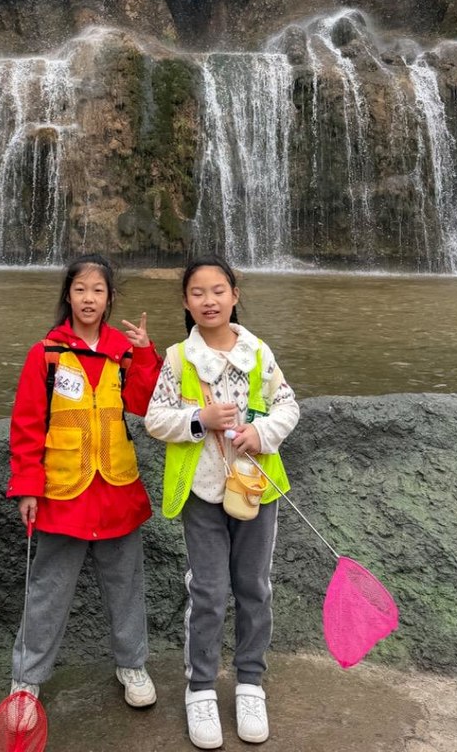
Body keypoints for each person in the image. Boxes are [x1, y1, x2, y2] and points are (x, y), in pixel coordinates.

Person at [144, 257, 299, 749]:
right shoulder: (177, 359)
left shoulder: (259, 352)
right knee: (208, 591)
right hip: (203, 492)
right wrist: (200, 419)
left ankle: (250, 682)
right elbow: (154, 419)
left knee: (254, 586)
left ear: (235, 295)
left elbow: (288, 405)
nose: (209, 301)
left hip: (256, 489)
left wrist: (261, 433)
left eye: (218, 290)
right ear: (186, 302)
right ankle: (202, 689)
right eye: (198, 293)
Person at [6, 253, 162, 710]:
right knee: (48, 591)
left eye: (98, 290)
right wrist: (27, 487)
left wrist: (146, 353)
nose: (88, 298)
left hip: (116, 490)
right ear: (68, 296)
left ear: (110, 298)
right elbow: (27, 424)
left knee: (126, 586)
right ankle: (26, 678)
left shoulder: (124, 352)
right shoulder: (46, 353)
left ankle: (132, 664)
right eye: (80, 289)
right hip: (63, 492)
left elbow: (144, 405)